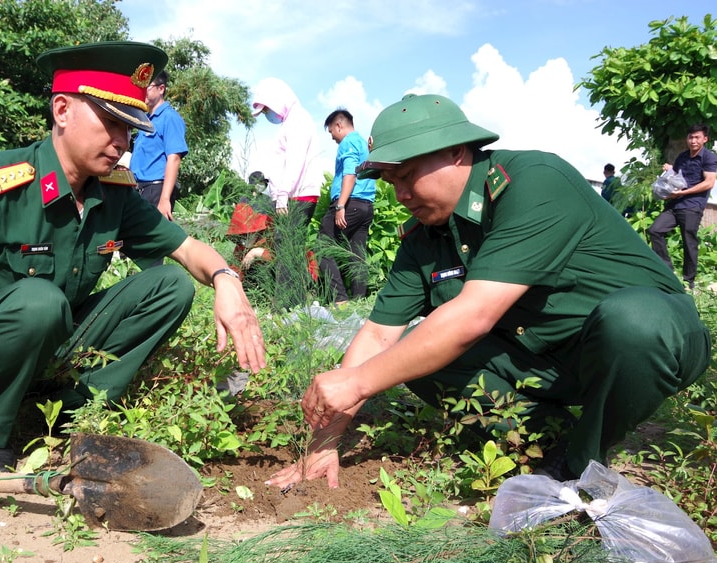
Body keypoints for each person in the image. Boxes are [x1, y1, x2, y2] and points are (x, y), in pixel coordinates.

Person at [0, 41, 266, 494]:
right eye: (111, 122)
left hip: (60, 338)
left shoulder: (113, 191)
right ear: (61, 110)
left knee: (171, 285)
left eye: (130, 130)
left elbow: (188, 249)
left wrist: (226, 280)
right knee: (40, 301)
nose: (121, 142)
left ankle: (72, 418)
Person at [266, 94, 710, 489]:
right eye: (390, 181)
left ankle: (579, 465)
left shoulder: (534, 181)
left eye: (408, 175)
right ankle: (550, 437)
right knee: (412, 357)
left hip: (647, 342)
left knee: (633, 324)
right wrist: (325, 442)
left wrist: (355, 383)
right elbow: (379, 336)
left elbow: (473, 315)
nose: (400, 193)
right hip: (546, 362)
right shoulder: (423, 236)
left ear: (457, 153)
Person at [251, 77, 323, 307]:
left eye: (266, 110)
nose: (267, 116)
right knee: (289, 249)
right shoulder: (293, 121)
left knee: (287, 251)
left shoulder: (298, 121)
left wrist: (282, 195)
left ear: (277, 100)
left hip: (295, 195)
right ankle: (296, 303)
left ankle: (285, 306)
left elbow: (295, 162)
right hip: (293, 194)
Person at [648, 124, 717, 290]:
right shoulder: (682, 157)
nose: (693, 140)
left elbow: (709, 183)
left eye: (697, 137)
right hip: (674, 204)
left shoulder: (709, 157)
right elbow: (675, 179)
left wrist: (683, 193)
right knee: (655, 230)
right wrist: (669, 172)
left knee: (689, 242)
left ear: (705, 139)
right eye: (691, 137)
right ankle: (667, 270)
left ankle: (689, 281)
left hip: (692, 205)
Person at [318, 109, 376, 305]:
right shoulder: (362, 143)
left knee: (322, 247)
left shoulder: (348, 142)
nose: (332, 137)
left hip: (350, 203)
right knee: (356, 253)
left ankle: (340, 301)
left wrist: (340, 205)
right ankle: (360, 302)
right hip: (366, 206)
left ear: (339, 125)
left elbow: (349, 174)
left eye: (331, 132)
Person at [129, 70, 188, 222]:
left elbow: (174, 158)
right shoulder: (145, 120)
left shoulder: (170, 117)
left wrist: (164, 199)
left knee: (151, 241)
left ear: (161, 89)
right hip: (138, 189)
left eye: (147, 87)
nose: (142, 92)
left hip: (156, 190)